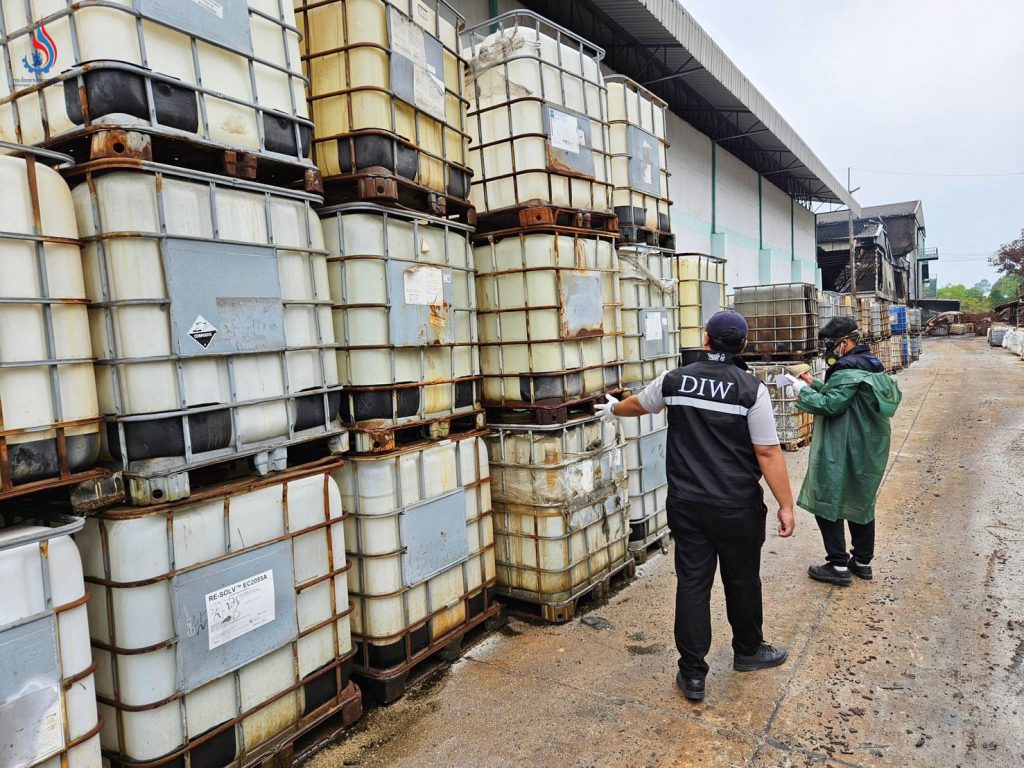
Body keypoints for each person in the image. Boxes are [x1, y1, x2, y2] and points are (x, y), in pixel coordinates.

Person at [596, 310, 796, 703]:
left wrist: (613, 409)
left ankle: (692, 674)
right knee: (742, 579)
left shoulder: (675, 379)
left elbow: (641, 404)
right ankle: (748, 651)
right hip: (736, 506)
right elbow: (768, 452)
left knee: (692, 584)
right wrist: (785, 504)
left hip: (687, 504)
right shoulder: (751, 389)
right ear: (743, 345)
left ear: (706, 340)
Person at [790, 316, 902, 586]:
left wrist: (802, 391)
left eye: (831, 344)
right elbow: (846, 393)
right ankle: (862, 562)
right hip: (868, 445)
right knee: (860, 499)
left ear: (844, 342)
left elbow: (831, 405)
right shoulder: (871, 364)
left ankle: (838, 565)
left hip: (844, 444)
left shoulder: (847, 369)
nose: (829, 350)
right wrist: (814, 384)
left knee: (827, 497)